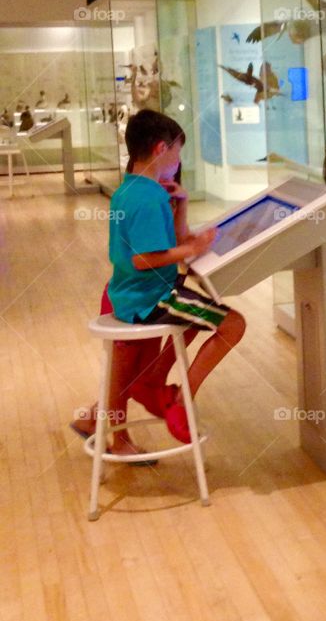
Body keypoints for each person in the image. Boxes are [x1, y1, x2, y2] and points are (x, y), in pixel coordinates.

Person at [73, 109, 245, 455]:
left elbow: (170, 245)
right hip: (149, 298)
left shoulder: (130, 190)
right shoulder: (148, 197)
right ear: (160, 148)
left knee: (190, 326)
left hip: (130, 295)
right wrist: (191, 247)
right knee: (234, 324)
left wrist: (181, 206)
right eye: (178, 153)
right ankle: (180, 398)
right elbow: (144, 259)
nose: (178, 161)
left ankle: (123, 413)